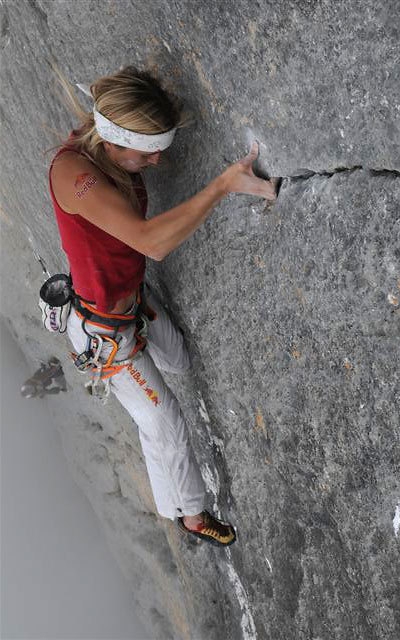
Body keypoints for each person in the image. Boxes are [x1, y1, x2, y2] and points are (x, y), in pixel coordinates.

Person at [48, 65, 276, 547]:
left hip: (132, 305)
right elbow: (151, 242)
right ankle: (192, 515)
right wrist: (222, 186)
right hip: (104, 331)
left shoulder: (109, 151)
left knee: (180, 363)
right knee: (163, 417)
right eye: (148, 153)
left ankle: (168, 486)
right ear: (113, 138)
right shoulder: (73, 174)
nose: (155, 163)